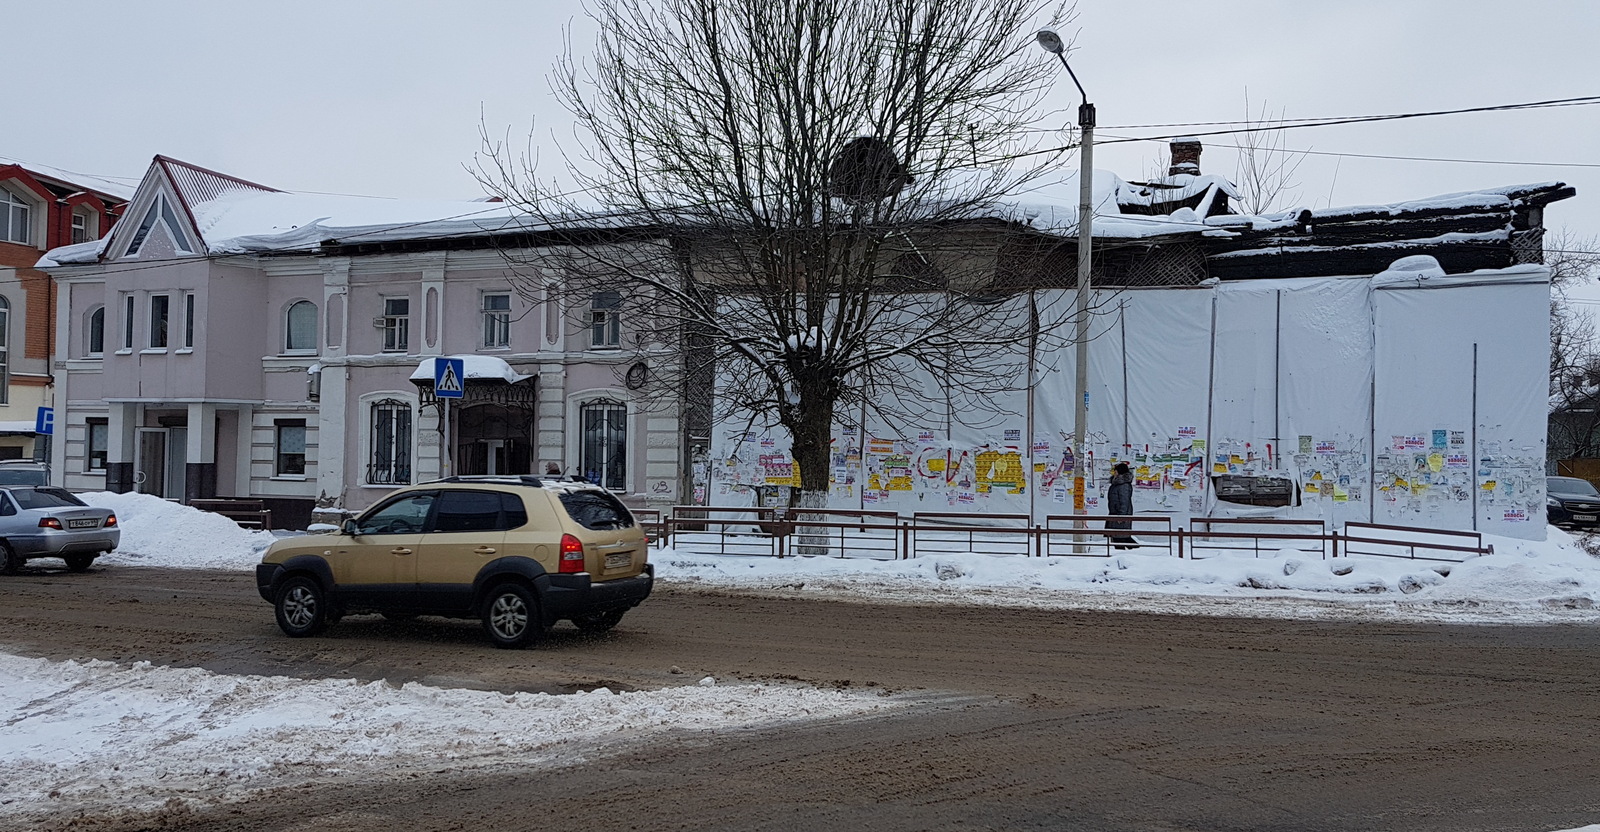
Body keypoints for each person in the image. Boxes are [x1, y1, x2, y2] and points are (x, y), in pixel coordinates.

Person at [1106, 462, 1137, 550]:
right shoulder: (1116, 484)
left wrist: (1121, 516)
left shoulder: (1123, 485)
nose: (1114, 473)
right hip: (1115, 513)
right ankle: (1130, 554)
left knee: (1121, 537)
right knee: (1118, 537)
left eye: (1115, 471)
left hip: (1120, 515)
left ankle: (1137, 553)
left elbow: (1124, 501)